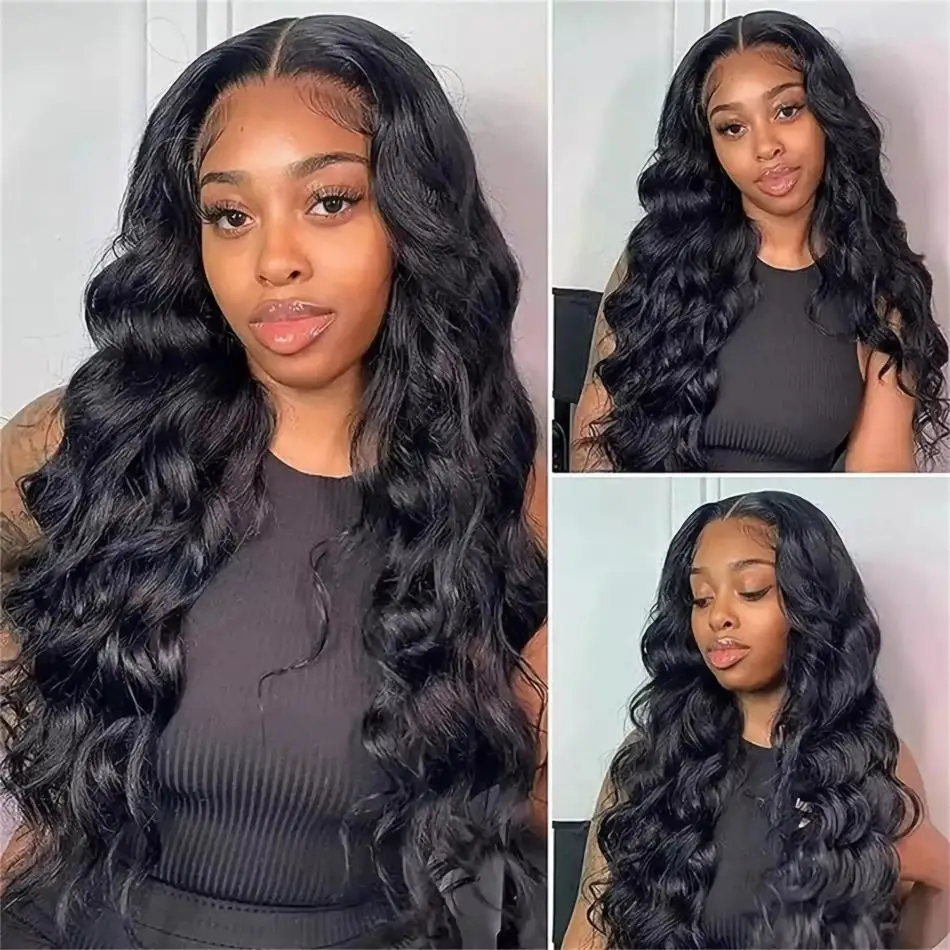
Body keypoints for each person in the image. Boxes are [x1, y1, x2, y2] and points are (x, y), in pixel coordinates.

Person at [0, 14, 547, 949]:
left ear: (413, 219)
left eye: (329, 201)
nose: (274, 261)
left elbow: (531, 819)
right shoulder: (87, 441)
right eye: (231, 215)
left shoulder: (500, 501)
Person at [562, 491, 949, 949]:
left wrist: (940, 866)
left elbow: (898, 934)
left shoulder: (871, 763)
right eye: (701, 598)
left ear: (812, 603)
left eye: (752, 591)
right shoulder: (655, 760)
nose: (718, 617)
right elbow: (588, 935)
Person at [572, 11, 949, 474]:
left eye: (787, 110)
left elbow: (880, 472)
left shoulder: (883, 290)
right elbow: (594, 443)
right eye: (733, 127)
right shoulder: (658, 257)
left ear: (828, 115)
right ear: (709, 145)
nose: (766, 147)